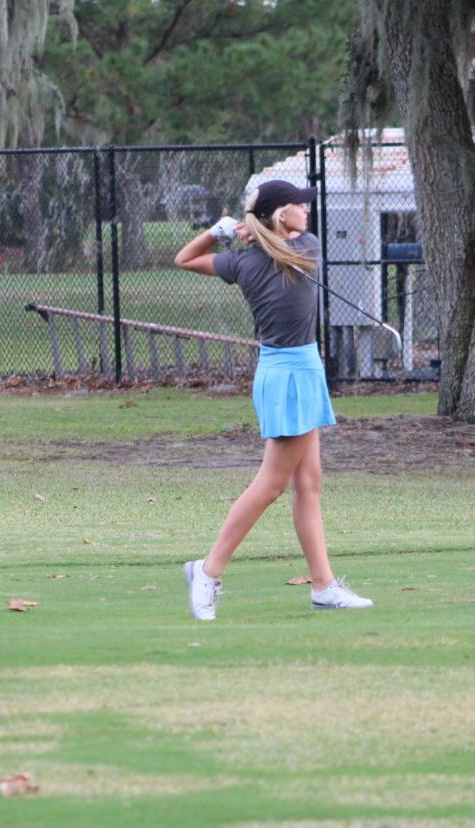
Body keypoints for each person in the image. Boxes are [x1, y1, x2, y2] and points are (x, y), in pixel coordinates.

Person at [173, 179, 373, 621]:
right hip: (290, 375)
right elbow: (198, 258)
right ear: (282, 216)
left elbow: (184, 258)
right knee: (272, 484)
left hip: (294, 369)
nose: (307, 211)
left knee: (309, 482)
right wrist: (246, 230)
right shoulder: (305, 247)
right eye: (299, 206)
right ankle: (207, 572)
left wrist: (223, 230)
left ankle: (323, 587)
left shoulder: (243, 261)